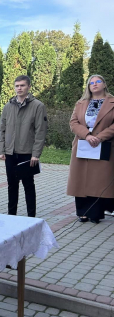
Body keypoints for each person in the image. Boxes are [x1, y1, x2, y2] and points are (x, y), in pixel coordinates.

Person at [0, 75, 47, 217]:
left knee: (28, 185)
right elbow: (1, 128)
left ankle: (31, 217)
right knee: (12, 186)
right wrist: (2, 150)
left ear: (29, 87)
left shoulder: (38, 106)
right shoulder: (8, 106)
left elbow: (40, 132)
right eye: (17, 86)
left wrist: (35, 154)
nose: (19, 88)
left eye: (22, 85)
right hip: (10, 153)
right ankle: (11, 216)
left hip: (27, 153)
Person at [67, 75, 114, 223]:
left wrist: (100, 137)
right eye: (91, 83)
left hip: (104, 144)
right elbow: (73, 122)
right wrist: (87, 135)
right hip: (83, 144)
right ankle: (82, 212)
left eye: (98, 81)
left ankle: (96, 214)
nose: (94, 84)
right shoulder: (81, 103)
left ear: (104, 84)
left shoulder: (112, 102)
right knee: (81, 180)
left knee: (99, 180)